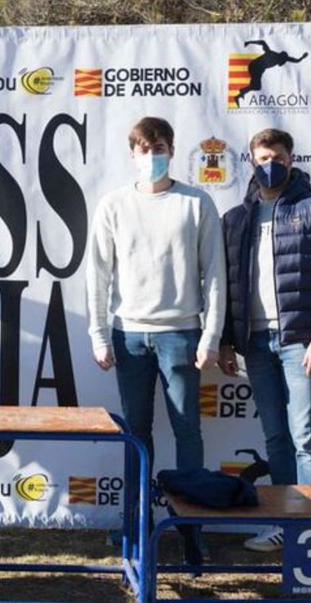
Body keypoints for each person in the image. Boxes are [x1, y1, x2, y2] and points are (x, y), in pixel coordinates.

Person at [218, 128, 311, 552]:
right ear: (251, 162)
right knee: (275, 436)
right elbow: (225, 284)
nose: (269, 163)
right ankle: (282, 522)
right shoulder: (236, 219)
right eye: (261, 157)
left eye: (276, 156)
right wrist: (225, 340)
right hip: (255, 342)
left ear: (291, 159)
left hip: (301, 341)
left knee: (307, 437)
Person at [86, 116, 226, 477]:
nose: (151, 156)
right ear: (133, 154)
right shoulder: (113, 205)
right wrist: (99, 335)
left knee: (187, 429)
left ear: (172, 151)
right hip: (128, 335)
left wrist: (210, 337)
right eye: (144, 150)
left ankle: (189, 524)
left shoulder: (197, 203)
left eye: (159, 149)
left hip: (181, 335)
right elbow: (97, 275)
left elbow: (214, 275)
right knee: (135, 432)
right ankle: (136, 520)